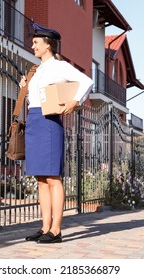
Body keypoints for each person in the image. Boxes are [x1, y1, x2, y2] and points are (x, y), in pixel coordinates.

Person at [20, 23, 93, 244]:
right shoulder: (37, 70)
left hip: (50, 123)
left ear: (47, 45)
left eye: (36, 42)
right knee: (41, 179)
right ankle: (44, 228)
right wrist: (25, 85)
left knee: (52, 177)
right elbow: (34, 99)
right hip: (34, 121)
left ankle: (57, 230)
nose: (32, 45)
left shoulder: (59, 67)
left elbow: (87, 81)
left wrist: (74, 101)